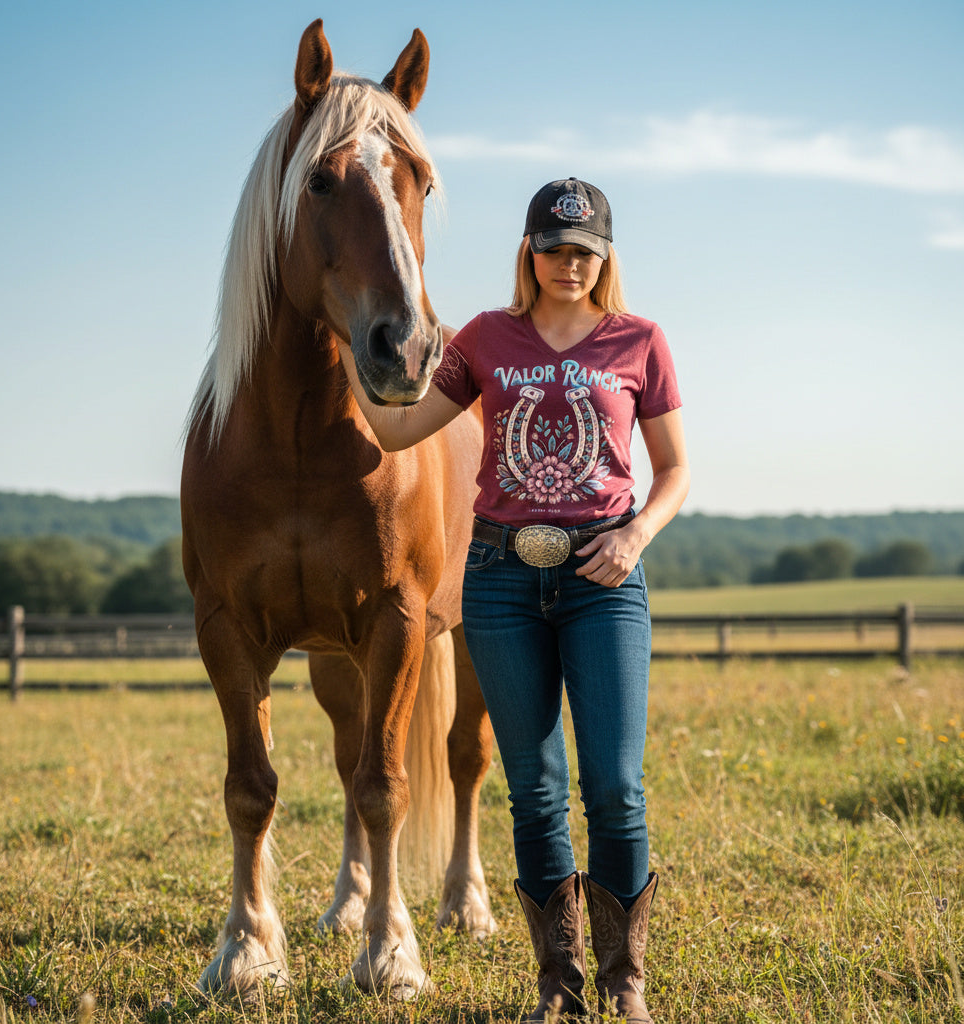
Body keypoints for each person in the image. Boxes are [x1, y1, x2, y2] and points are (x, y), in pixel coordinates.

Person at [339, 177, 689, 1022]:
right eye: (554, 249)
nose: (568, 265)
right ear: (528, 252)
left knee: (614, 788)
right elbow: (397, 430)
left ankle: (625, 983)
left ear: (603, 259)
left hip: (603, 581)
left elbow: (675, 470)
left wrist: (635, 536)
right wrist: (348, 344)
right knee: (532, 787)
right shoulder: (488, 339)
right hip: (497, 580)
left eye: (584, 253)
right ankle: (559, 989)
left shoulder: (640, 340)